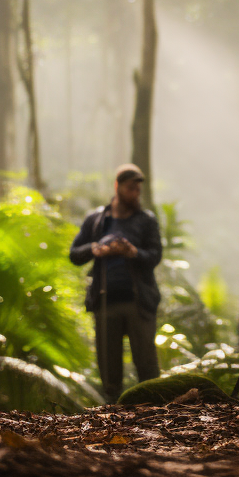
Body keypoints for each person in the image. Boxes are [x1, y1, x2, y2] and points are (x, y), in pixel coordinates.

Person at [69, 164, 163, 403]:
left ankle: (154, 414)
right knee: (109, 370)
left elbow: (155, 255)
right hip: (105, 301)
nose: (135, 194)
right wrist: (96, 249)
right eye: (131, 188)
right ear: (117, 187)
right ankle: (113, 417)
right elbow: (74, 254)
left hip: (138, 302)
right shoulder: (97, 220)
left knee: (147, 367)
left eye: (138, 190)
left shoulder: (146, 220)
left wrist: (132, 252)